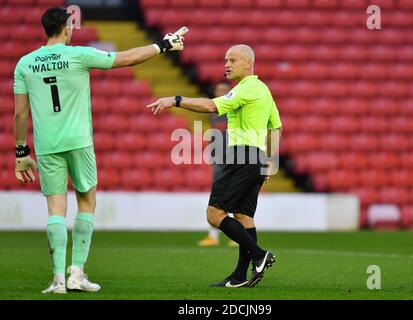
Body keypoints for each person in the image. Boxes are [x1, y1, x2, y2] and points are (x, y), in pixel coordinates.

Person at [13, 6, 185, 294]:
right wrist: (162, 45)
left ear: (45, 30)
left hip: (46, 146)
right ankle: (76, 274)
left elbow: (19, 114)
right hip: (79, 141)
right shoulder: (78, 54)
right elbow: (127, 59)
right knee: (86, 203)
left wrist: (21, 153)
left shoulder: (24, 64)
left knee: (55, 210)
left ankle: (57, 280)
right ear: (67, 28)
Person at [148, 44, 282, 288]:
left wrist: (175, 100)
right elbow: (276, 127)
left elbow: (211, 106)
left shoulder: (247, 88)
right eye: (225, 60)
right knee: (243, 217)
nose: (227, 65)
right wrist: (269, 162)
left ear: (249, 63)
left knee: (214, 214)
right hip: (257, 158)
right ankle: (240, 276)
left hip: (241, 156)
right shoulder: (264, 90)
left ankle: (259, 254)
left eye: (232, 60)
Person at [198, 81, 238, 248]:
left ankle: (237, 236)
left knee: (236, 197)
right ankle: (213, 236)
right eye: (218, 90)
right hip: (219, 161)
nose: (220, 93)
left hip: (235, 159)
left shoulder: (235, 110)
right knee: (216, 198)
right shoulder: (213, 112)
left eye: (224, 91)